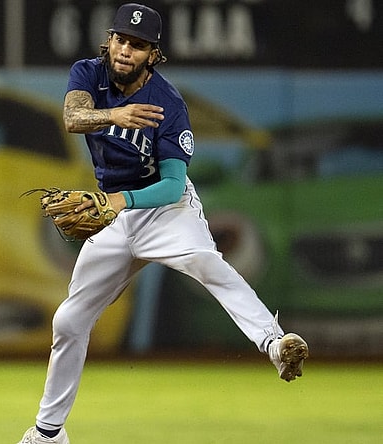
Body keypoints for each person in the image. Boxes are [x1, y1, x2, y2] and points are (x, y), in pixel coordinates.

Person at [15, 3, 309, 444]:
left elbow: (172, 187)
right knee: (69, 321)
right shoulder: (88, 74)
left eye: (138, 45)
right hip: (115, 216)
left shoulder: (168, 105)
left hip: (164, 211)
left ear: (153, 54)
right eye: (120, 40)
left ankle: (275, 342)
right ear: (108, 41)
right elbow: (74, 118)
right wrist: (114, 116)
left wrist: (120, 199)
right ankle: (47, 434)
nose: (126, 50)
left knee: (206, 262)